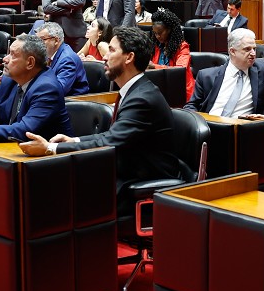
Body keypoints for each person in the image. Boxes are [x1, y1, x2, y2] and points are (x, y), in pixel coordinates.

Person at [20, 26, 188, 211]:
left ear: (129, 57)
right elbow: (112, 136)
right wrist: (74, 140)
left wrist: (50, 148)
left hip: (141, 181)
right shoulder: (133, 91)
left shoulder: (142, 98)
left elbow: (110, 141)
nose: (105, 57)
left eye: (112, 50)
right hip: (125, 171)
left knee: (57, 187)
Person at [186, 28, 264, 117]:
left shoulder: (262, 69)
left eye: (254, 48)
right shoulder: (206, 76)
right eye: (247, 49)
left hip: (243, 132)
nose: (253, 53)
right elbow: (191, 107)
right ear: (232, 51)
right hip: (211, 126)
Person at [150, 7, 194, 100]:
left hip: (180, 90)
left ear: (169, 29)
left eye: (160, 33)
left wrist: (154, 67)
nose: (157, 36)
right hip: (159, 89)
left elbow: (179, 71)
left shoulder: (182, 46)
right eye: (155, 33)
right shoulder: (156, 46)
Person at [37, 21, 89, 96]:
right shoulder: (48, 55)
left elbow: (58, 90)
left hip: (72, 103)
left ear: (56, 40)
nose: (38, 43)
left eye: (42, 39)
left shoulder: (67, 59)